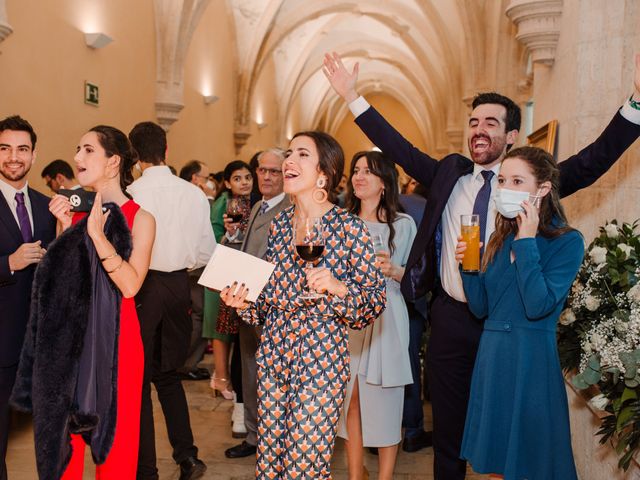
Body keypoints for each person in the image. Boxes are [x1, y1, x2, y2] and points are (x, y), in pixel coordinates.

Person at [323, 51, 640, 479]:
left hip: (511, 324)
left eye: (491, 123)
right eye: (474, 122)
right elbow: (399, 147)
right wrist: (352, 97)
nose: (479, 129)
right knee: (450, 433)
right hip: (453, 318)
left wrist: (634, 105)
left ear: (511, 135)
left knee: (506, 434)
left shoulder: (531, 184)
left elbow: (593, 161)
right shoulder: (448, 175)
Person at [221, 131, 386, 478]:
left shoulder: (349, 228)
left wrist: (339, 288)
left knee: (304, 467)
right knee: (270, 465)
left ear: (324, 173)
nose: (289, 161)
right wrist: (241, 303)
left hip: (320, 360)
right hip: (274, 355)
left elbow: (373, 302)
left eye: (302, 154)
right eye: (289, 154)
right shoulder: (280, 226)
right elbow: (265, 306)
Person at [12, 125, 155, 479]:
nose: (77, 158)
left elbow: (131, 285)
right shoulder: (71, 213)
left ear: (113, 162)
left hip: (117, 346)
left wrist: (97, 236)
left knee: (116, 455)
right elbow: (59, 285)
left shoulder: (142, 218)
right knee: (63, 452)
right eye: (78, 149)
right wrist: (64, 229)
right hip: (69, 344)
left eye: (88, 150)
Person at [455, 146, 582, 479]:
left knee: (531, 462)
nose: (504, 188)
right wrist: (468, 265)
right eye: (501, 180)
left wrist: (527, 243)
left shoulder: (567, 241)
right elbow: (482, 308)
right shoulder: (500, 236)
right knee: (496, 461)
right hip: (493, 358)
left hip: (531, 362)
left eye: (516, 180)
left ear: (542, 188)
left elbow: (538, 306)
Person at [127, 121, 214, 480]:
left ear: (133, 156)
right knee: (169, 377)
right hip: (179, 286)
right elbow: (205, 252)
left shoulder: (130, 192)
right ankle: (188, 457)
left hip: (140, 286)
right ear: (167, 150)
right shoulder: (191, 193)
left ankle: (146, 471)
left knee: (138, 380)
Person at [336, 151, 416, 479]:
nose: (358, 177)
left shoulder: (403, 224)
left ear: (384, 181)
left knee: (385, 402)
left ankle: (384, 476)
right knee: (349, 399)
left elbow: (412, 277)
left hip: (387, 316)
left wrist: (393, 269)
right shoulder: (340, 220)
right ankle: (357, 473)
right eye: (356, 170)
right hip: (348, 316)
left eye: (367, 171)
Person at [224, 148, 290, 460]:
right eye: (261, 170)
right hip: (246, 305)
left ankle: (274, 439)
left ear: (285, 174)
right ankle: (253, 436)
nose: (265, 176)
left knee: (273, 379)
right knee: (249, 373)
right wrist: (233, 235)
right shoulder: (256, 207)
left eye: (273, 171)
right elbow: (246, 250)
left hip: (273, 310)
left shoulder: (291, 210)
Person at [0, 115, 56, 480]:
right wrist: (8, 263)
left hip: (39, 343)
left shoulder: (47, 206)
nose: (13, 157)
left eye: (22, 149)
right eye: (4, 149)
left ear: (34, 155)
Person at [204, 160, 253, 401]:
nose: (244, 182)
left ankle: (225, 377)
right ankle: (221, 377)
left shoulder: (250, 202)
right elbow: (213, 239)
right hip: (222, 269)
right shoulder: (225, 204)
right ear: (227, 182)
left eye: (247, 177)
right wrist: (228, 234)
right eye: (237, 178)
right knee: (221, 328)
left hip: (237, 270)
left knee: (230, 328)